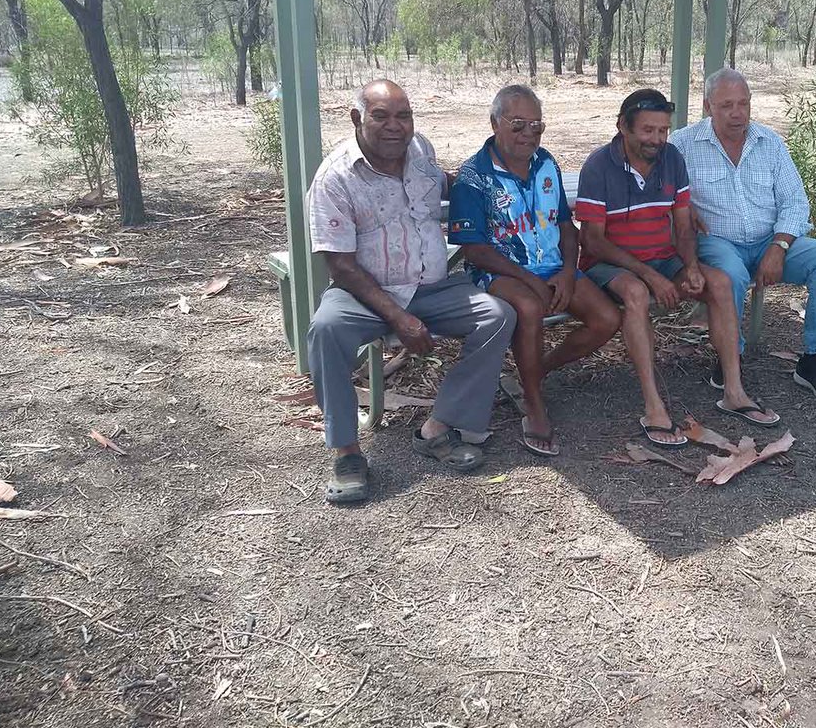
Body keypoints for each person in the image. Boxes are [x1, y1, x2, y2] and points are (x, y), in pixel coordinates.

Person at [306, 79, 517, 503]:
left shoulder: (420, 151)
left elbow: (444, 183)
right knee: (326, 330)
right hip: (363, 293)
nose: (394, 127)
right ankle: (347, 451)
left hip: (429, 286)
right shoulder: (334, 179)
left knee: (498, 316)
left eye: (403, 116)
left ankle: (438, 426)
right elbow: (341, 266)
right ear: (356, 119)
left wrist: (498, 185)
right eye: (380, 116)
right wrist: (399, 319)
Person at [575, 88, 779, 447]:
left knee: (719, 281)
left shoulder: (672, 159)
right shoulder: (598, 166)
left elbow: (683, 226)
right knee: (637, 293)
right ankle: (654, 406)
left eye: (663, 130)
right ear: (623, 126)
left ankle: (733, 390)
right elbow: (592, 241)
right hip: (610, 265)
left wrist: (691, 266)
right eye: (648, 130)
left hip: (663, 258)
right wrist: (650, 275)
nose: (656, 139)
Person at [447, 84, 621, 457]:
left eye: (537, 125)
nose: (530, 133)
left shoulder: (546, 164)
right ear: (495, 123)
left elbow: (563, 224)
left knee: (606, 319)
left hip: (553, 267)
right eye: (519, 124)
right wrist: (528, 279)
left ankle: (537, 370)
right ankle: (534, 403)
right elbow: (473, 248)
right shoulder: (474, 177)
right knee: (528, 308)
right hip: (500, 272)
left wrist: (568, 272)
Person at [670, 67, 816, 402]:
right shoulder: (682, 145)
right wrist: (678, 204)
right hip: (718, 242)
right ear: (708, 107)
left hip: (769, 240)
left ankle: (812, 360)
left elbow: (796, 201)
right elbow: (655, 186)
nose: (737, 113)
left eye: (743, 104)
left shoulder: (770, 143)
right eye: (726, 106)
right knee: (732, 274)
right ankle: (728, 358)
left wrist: (779, 246)